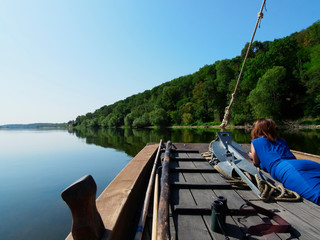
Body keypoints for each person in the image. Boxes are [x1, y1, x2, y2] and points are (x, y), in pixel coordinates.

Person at [249, 118, 320, 205]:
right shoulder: (281, 140)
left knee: (316, 196)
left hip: (287, 168)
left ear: (256, 130)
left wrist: (251, 155)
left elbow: (255, 162)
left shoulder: (255, 141)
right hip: (308, 164)